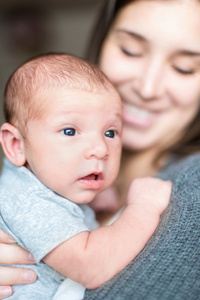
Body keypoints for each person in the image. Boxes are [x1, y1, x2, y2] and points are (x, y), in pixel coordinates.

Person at [0, 0, 200, 299]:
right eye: (130, 50)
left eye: (184, 68)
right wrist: (141, 209)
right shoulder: (29, 198)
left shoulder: (191, 181)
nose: (147, 88)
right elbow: (91, 265)